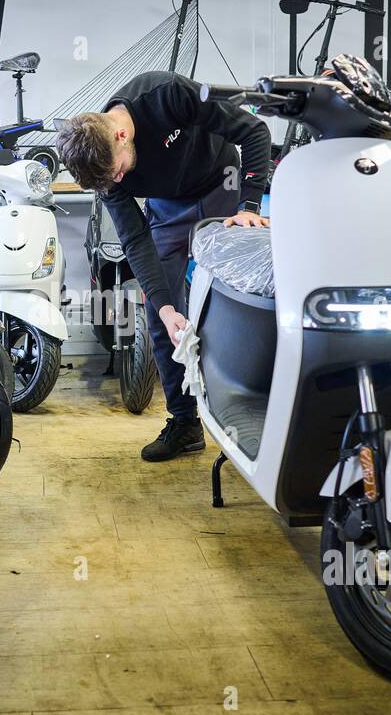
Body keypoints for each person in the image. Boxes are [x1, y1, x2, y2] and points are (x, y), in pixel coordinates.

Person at [58, 70, 271, 462]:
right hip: (168, 208)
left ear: (120, 134)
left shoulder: (166, 95)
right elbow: (136, 239)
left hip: (219, 187)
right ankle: (185, 423)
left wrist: (250, 207)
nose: (119, 180)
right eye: (111, 181)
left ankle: (254, 408)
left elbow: (254, 132)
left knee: (232, 303)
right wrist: (168, 307)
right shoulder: (104, 169)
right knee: (160, 315)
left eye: (118, 172)